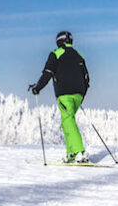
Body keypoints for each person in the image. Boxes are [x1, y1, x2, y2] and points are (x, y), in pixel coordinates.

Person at [30, 31, 90, 163]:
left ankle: (80, 152)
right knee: (66, 122)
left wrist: (37, 88)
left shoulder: (56, 54)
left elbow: (47, 73)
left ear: (59, 41)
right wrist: (81, 95)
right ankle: (71, 153)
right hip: (78, 95)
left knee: (68, 121)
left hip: (65, 94)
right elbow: (87, 79)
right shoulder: (79, 56)